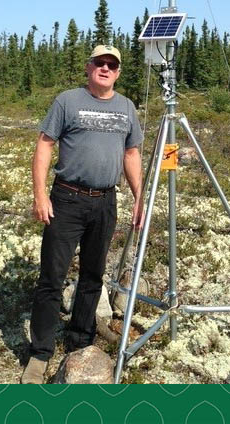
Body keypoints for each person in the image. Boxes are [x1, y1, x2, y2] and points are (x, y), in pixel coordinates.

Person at [21, 44, 144, 384]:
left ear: (118, 72)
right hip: (67, 199)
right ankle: (40, 353)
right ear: (89, 68)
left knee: (93, 276)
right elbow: (44, 145)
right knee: (52, 278)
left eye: (112, 65)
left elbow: (131, 153)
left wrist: (139, 197)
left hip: (105, 202)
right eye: (100, 63)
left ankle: (80, 341)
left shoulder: (126, 108)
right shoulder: (68, 101)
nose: (106, 68)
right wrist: (40, 195)